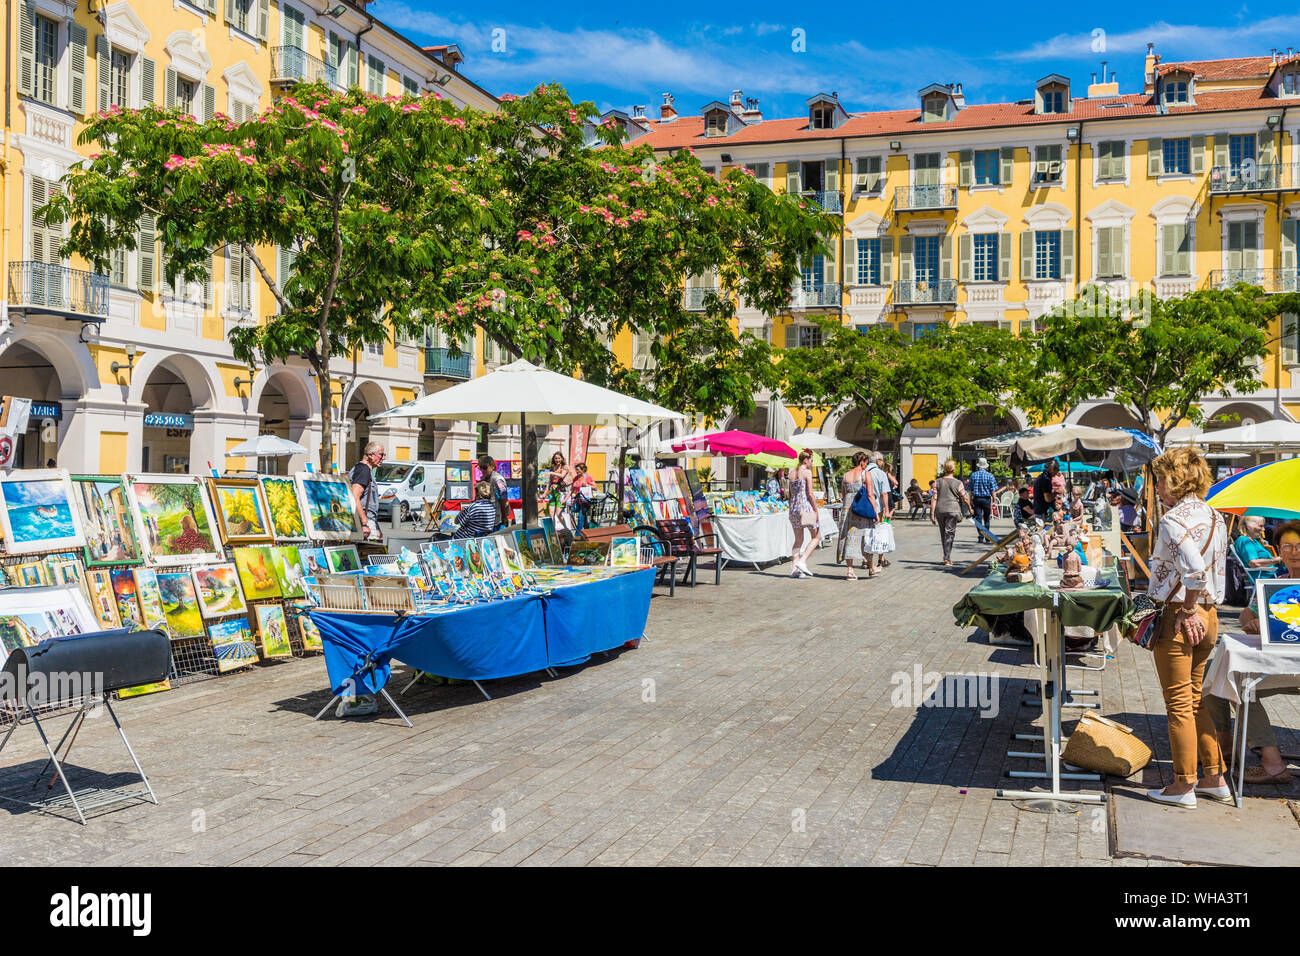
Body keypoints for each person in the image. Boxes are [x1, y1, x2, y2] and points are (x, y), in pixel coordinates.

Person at [1144, 445, 1230, 808]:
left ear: (1175, 480)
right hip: (1211, 616)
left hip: (1183, 614)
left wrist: (1187, 609)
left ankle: (1183, 785)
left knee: (1178, 703)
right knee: (1195, 701)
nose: (1158, 486)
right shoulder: (1215, 516)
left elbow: (1194, 572)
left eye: (1161, 479)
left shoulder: (1173, 518)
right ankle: (1214, 777)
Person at [1206, 520, 1300, 786]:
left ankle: (1270, 762)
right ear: (1279, 551)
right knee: (1219, 674)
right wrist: (1251, 620)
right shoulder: (1274, 584)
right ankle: (1226, 748)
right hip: (1281, 665)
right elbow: (1247, 614)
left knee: (1239, 681)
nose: (1294, 552)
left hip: (1293, 668)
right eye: (1287, 546)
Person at [839, 452, 876, 580]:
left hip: (847, 509)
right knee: (866, 536)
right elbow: (870, 495)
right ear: (862, 462)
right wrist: (875, 512)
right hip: (861, 510)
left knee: (849, 537)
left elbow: (843, 495)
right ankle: (871, 567)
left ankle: (850, 570)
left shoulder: (845, 475)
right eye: (866, 463)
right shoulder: (865, 474)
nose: (866, 465)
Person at [930, 459, 971, 567]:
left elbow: (934, 498)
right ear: (953, 469)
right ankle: (947, 558)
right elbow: (964, 498)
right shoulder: (958, 483)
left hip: (940, 510)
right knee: (949, 533)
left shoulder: (937, 482)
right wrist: (970, 509)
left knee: (943, 533)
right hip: (953, 510)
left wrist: (932, 514)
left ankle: (946, 556)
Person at [787, 448, 821, 578]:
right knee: (817, 536)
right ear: (806, 460)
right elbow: (810, 494)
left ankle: (794, 569)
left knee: (798, 539)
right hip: (805, 508)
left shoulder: (791, 473)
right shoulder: (806, 472)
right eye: (811, 461)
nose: (811, 463)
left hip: (794, 509)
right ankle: (802, 561)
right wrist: (816, 509)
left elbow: (790, 495)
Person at [349, 441, 385, 542]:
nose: (383, 458)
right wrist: (364, 523)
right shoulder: (363, 470)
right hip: (364, 522)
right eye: (381, 455)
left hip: (367, 520)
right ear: (370, 455)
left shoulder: (363, 469)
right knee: (370, 554)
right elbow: (354, 496)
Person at [478, 455, 510, 530]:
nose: (482, 470)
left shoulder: (498, 480)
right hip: (487, 521)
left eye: (485, 467)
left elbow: (504, 501)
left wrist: (503, 521)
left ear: (492, 466)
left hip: (497, 522)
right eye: (480, 467)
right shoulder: (484, 479)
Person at [967, 457, 998, 532]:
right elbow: (993, 490)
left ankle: (981, 535)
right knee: (987, 518)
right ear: (986, 466)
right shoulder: (990, 475)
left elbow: (970, 490)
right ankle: (987, 535)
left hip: (977, 498)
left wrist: (970, 500)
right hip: (986, 499)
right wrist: (994, 501)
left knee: (978, 518)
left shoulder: (973, 475)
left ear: (978, 466)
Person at [544, 452, 573, 520]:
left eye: (559, 458)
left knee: (558, 514)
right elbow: (550, 481)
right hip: (552, 491)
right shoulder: (553, 467)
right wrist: (545, 492)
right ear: (554, 459)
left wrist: (551, 473)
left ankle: (566, 529)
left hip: (560, 492)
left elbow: (562, 475)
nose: (557, 460)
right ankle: (553, 530)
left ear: (562, 459)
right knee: (551, 513)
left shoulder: (564, 467)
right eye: (556, 458)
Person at [571, 461, 597, 529]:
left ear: (583, 470)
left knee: (581, 518)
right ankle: (587, 532)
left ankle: (577, 535)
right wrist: (565, 499)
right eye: (576, 470)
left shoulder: (588, 477)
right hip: (578, 500)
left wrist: (587, 485)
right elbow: (572, 489)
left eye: (578, 470)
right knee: (584, 518)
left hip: (585, 501)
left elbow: (595, 488)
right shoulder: (575, 478)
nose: (576, 471)